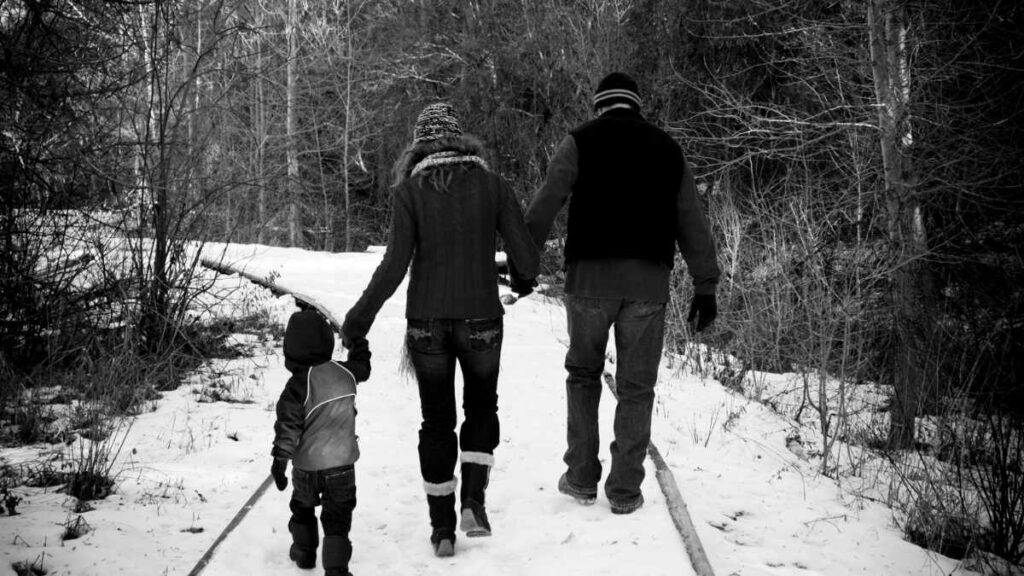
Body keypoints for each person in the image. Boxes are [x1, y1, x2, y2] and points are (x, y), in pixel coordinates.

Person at [341, 103, 539, 557]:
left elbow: (393, 267)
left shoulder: (410, 191)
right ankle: (473, 499)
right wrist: (522, 278)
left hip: (427, 325)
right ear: (460, 141)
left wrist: (357, 321)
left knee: (436, 421)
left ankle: (442, 530)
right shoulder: (493, 186)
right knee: (481, 408)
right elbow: (527, 259)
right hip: (482, 320)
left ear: (419, 146)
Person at [522, 72, 720, 515]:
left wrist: (523, 260)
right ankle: (625, 491)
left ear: (599, 106)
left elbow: (545, 204)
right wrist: (705, 285)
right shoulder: (668, 149)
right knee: (637, 387)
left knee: (583, 374)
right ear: (636, 105)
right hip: (647, 286)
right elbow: (691, 219)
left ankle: (580, 477)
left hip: (589, 282)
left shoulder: (579, 142)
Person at [271, 307, 372, 576]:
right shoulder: (345, 372)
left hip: (306, 468)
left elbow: (288, 428)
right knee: (337, 516)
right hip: (341, 466)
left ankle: (304, 552)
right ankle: (336, 568)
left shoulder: (297, 386)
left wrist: (280, 462)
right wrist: (358, 341)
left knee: (302, 507)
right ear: (327, 343)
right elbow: (363, 366)